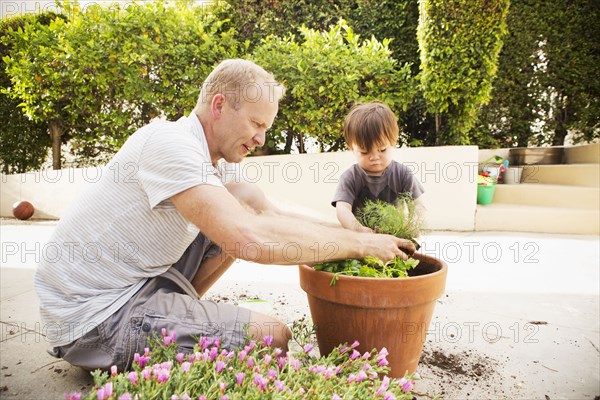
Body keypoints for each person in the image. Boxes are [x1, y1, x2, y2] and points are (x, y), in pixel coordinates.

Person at [34, 59, 415, 372]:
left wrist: (353, 231)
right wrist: (362, 246)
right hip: (94, 317)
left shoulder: (213, 158)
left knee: (241, 212)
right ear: (219, 106)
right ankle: (161, 332)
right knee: (273, 337)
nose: (262, 139)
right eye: (256, 124)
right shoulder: (170, 143)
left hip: (136, 285)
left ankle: (177, 319)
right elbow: (250, 240)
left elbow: (267, 211)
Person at [332, 101, 425, 232]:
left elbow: (418, 206)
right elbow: (342, 209)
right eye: (364, 152)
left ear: (393, 142)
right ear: (351, 148)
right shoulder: (350, 177)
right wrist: (359, 229)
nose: (374, 157)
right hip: (361, 241)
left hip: (394, 236)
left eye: (382, 150)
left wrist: (411, 227)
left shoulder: (403, 174)